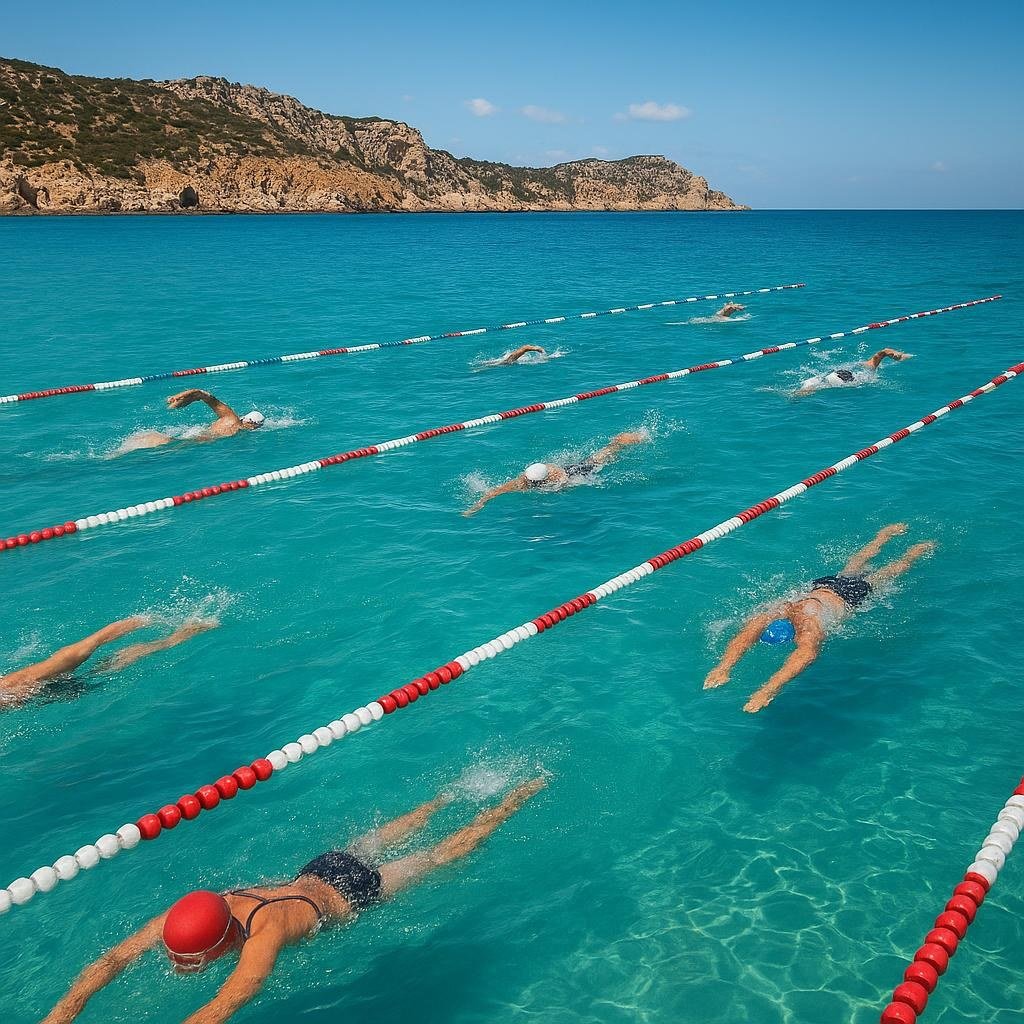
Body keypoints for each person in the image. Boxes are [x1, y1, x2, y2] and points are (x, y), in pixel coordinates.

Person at [41, 777, 546, 1024]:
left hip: (353, 891)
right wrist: (61, 1014)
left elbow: (228, 1001)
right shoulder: (197, 909)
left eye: (190, 961)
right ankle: (445, 796)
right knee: (399, 831)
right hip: (318, 868)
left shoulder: (267, 932)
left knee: (442, 857)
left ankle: (512, 800)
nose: (179, 967)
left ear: (221, 943)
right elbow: (115, 957)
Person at [703, 524, 935, 713]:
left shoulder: (808, 626)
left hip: (848, 596)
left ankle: (916, 551)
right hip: (823, 587)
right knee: (853, 565)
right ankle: (882, 536)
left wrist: (768, 689)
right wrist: (723, 668)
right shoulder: (779, 611)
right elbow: (746, 636)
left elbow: (806, 655)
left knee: (886, 573)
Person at [1, 616, 217, 707]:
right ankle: (172, 637)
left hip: (30, 681)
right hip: (36, 694)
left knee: (87, 647)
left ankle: (148, 622)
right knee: (106, 668)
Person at [464, 430, 649, 516]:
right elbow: (496, 491)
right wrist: (478, 505)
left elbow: (566, 482)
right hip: (566, 471)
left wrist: (559, 489)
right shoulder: (524, 480)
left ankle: (623, 440)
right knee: (598, 457)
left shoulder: (554, 475)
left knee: (601, 459)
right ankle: (620, 441)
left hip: (575, 472)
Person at [115, 389, 265, 454]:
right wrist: (182, 396)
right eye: (257, 427)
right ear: (251, 423)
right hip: (180, 443)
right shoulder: (232, 420)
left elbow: (201, 394)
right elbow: (202, 394)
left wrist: (185, 396)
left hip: (182, 439)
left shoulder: (229, 419)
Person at [796, 348, 912, 395]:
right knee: (820, 386)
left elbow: (882, 352)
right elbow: (883, 352)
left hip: (834, 374)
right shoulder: (869, 371)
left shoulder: (864, 365)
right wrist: (898, 356)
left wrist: (895, 354)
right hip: (843, 381)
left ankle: (797, 394)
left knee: (818, 383)